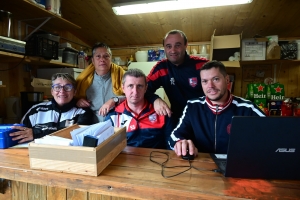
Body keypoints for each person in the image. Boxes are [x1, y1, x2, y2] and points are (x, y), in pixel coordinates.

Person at [169, 60, 266, 156]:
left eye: (216, 79)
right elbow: (174, 136)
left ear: (227, 79)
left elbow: (273, 133)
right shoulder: (192, 106)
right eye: (205, 81)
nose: (210, 86)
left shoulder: (247, 109)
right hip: (201, 165)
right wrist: (179, 142)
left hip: (237, 166)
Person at [10, 73, 93, 143]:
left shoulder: (83, 112)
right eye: (57, 87)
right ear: (52, 91)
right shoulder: (35, 110)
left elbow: (75, 134)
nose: (62, 91)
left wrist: (36, 133)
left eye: (67, 87)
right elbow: (20, 133)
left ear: (75, 92)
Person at [146, 29, 208, 123]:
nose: (173, 50)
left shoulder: (202, 65)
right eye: (168, 46)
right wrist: (155, 99)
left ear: (186, 45)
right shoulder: (161, 68)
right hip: (178, 120)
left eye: (177, 45)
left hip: (204, 119)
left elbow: (220, 89)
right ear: (164, 48)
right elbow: (142, 89)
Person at [106, 68, 174, 149]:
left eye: (140, 86)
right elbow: (107, 148)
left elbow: (171, 146)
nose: (135, 92)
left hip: (157, 159)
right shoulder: (113, 116)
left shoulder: (162, 112)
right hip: (124, 160)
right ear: (123, 88)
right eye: (130, 86)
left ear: (146, 88)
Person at [76, 42, 125, 123]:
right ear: (93, 60)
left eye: (106, 56)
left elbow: (134, 96)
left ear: (111, 59)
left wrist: (115, 100)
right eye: (98, 56)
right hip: (92, 124)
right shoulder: (83, 80)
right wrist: (78, 101)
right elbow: (71, 98)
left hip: (119, 121)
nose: (102, 59)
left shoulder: (123, 76)